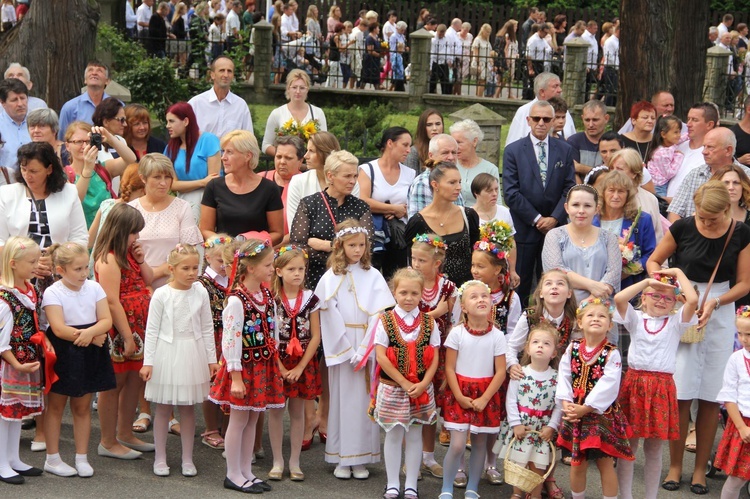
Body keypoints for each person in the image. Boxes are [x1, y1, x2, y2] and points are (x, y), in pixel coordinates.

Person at [647, 181, 750, 495]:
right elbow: (653, 262)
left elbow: (745, 283)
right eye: (702, 217)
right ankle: (675, 466)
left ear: (727, 209)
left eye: (713, 218)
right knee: (681, 390)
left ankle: (700, 469)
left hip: (721, 307)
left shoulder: (743, 233)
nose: (706, 223)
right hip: (686, 304)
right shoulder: (683, 227)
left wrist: (716, 302)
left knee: (711, 393)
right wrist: (675, 292)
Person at [315, 219, 395, 480]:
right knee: (341, 402)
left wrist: (364, 349)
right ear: (340, 245)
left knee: (364, 402)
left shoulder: (373, 274)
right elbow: (328, 313)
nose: (358, 250)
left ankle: (361, 458)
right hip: (343, 347)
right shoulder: (331, 277)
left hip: (366, 345)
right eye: (352, 245)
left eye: (361, 245)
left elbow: (378, 313)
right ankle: (341, 457)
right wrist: (347, 350)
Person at [613, 269, 698, 499]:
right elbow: (619, 299)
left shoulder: (676, 322)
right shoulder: (636, 319)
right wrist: (648, 281)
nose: (661, 300)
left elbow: (692, 300)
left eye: (668, 298)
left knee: (654, 448)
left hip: (661, 388)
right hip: (634, 385)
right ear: (644, 297)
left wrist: (678, 273)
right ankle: (625, 495)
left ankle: (651, 496)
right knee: (628, 446)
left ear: (674, 302)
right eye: (655, 295)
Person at [208, 239, 282, 494]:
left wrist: (276, 361)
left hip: (263, 366)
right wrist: (236, 377)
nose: (272, 269)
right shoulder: (236, 301)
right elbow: (231, 340)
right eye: (268, 265)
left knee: (252, 419)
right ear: (251, 268)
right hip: (243, 369)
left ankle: (246, 471)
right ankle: (232, 473)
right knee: (238, 421)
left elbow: (273, 330)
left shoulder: (267, 295)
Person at [140, 244, 217, 477]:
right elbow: (151, 330)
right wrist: (148, 361)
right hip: (167, 352)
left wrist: (211, 359)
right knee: (163, 408)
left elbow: (206, 327)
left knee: (188, 407)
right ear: (172, 269)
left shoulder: (201, 292)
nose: (192, 272)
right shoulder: (162, 294)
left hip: (192, 352)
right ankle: (160, 457)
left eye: (195, 267)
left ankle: (187, 458)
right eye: (186, 268)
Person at [41, 242, 114, 477]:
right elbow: (59, 329)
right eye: (78, 269)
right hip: (64, 351)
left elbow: (106, 320)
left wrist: (91, 333)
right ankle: (52, 458)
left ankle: (82, 457)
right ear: (60, 270)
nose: (84, 273)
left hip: (90, 348)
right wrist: (90, 336)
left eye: (85, 268)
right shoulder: (53, 292)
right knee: (56, 406)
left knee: (82, 406)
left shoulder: (94, 288)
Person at [93, 203, 154, 460]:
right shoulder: (108, 258)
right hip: (121, 329)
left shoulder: (129, 253)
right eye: (133, 232)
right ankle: (107, 441)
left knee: (133, 380)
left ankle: (125, 433)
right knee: (114, 384)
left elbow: (148, 279)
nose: (137, 237)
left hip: (139, 325)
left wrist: (141, 260)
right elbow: (112, 300)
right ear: (120, 231)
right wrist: (127, 336)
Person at [556, 297, 634, 498]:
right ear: (580, 322)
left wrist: (587, 407)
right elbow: (564, 375)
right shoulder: (572, 348)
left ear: (609, 325)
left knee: (605, 463)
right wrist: (567, 404)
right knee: (577, 462)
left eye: (602, 316)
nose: (596, 319)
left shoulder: (611, 353)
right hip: (575, 413)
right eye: (590, 315)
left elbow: (609, 384)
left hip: (599, 416)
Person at [374, 268, 440, 499]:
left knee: (414, 435)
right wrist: (402, 381)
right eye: (403, 292)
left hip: (420, 389)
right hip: (393, 387)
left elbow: (435, 357)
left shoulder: (429, 323)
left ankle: (411, 483)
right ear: (394, 292)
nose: (409, 298)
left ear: (422, 293)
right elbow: (381, 355)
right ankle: (392, 483)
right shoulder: (385, 320)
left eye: (414, 293)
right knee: (393, 434)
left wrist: (424, 384)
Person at [503, 100, 576, 306]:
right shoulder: (513, 151)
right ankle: (521, 324)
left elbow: (569, 188)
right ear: (528, 120)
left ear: (553, 121)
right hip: (525, 228)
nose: (541, 123)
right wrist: (536, 219)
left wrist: (554, 218)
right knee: (523, 282)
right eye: (536, 118)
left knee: (553, 281)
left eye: (546, 119)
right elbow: (510, 192)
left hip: (555, 228)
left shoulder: (565, 150)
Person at [439, 280, 507, 499]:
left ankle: (472, 488)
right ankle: (447, 487)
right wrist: (458, 395)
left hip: (485, 395)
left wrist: (485, 398)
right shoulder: (457, 333)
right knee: (458, 444)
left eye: (485, 296)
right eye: (474, 296)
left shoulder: (497, 335)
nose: (481, 299)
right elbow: (449, 367)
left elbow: (500, 372)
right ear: (464, 307)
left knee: (479, 443)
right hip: (460, 392)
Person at [469, 224, 522, 484]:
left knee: (492, 416)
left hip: (496, 363)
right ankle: (462, 465)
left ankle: (491, 463)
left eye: (481, 266)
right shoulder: (467, 292)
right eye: (473, 265)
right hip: (470, 361)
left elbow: (514, 334)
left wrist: (507, 360)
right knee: (467, 412)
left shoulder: (510, 298)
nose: (475, 271)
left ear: (498, 269)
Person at [267, 245, 320, 481]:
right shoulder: (271, 298)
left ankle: (295, 461)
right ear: (278, 271)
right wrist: (280, 367)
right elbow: (268, 334)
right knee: (276, 411)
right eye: (291, 269)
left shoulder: (311, 299)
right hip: (277, 359)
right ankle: (277, 460)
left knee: (298, 412)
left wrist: (299, 367)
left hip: (302, 361)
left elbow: (316, 336)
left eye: (301, 269)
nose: (297, 273)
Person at [495, 323, 562, 499]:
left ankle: (535, 494)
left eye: (547, 343)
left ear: (554, 353)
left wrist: (553, 426)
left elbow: (559, 405)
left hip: (542, 429)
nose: (540, 346)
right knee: (518, 461)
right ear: (527, 349)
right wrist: (515, 424)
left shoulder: (557, 377)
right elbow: (511, 400)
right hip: (522, 427)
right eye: (536, 342)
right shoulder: (520, 373)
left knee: (538, 465)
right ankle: (517, 493)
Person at [289, 149, 371, 288]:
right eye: (347, 176)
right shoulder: (309, 204)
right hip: (315, 278)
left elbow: (367, 246)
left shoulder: (361, 207)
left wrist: (326, 246)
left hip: (350, 280)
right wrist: (346, 249)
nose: (353, 181)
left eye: (355, 176)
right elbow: (298, 247)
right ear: (330, 176)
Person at [0, 237, 46, 485]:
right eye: (31, 261)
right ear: (14, 264)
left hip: (27, 360)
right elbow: (1, 341)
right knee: (4, 413)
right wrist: (16, 364)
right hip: (10, 364)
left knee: (16, 411)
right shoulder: (5, 298)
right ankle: (1, 462)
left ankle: (13, 458)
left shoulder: (31, 290)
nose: (36, 265)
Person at [410, 233, 456, 460]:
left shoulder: (448, 288)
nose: (415, 264)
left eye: (421, 260)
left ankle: (427, 456)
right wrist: (436, 313)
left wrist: (442, 313)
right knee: (414, 404)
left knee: (431, 405)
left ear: (436, 263)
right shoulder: (409, 283)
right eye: (414, 259)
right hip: (413, 352)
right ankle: (412, 458)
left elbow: (454, 321)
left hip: (439, 352)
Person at [129, 153, 203, 289]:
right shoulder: (131, 209)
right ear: (143, 178)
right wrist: (144, 280)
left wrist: (154, 274)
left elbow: (189, 251)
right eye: (157, 177)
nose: (163, 183)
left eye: (167, 177)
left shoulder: (182, 207)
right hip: (138, 286)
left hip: (174, 285)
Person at [542, 185, 621, 307]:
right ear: (566, 207)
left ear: (596, 209)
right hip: (565, 307)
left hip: (600, 310)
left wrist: (591, 300)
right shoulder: (554, 236)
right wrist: (591, 285)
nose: (581, 211)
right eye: (576, 205)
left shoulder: (609, 238)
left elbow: (613, 274)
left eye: (588, 206)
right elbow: (555, 270)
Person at [0, 142, 88, 252]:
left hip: (59, 265)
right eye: (24, 169)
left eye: (34, 171)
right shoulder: (6, 194)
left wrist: (57, 258)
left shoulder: (69, 192)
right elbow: (1, 241)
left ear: (49, 169)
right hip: (18, 266)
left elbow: (80, 238)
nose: (27, 176)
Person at [201, 130, 284, 243]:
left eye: (229, 152)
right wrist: (227, 244)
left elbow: (278, 233)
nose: (223, 157)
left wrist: (251, 246)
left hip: (256, 256)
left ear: (247, 156)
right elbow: (205, 229)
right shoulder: (214, 186)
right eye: (223, 151)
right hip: (223, 255)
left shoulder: (269, 189)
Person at [405, 161, 480, 287]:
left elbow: (477, 254)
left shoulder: (468, 215)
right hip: (432, 291)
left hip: (466, 289)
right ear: (435, 185)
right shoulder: (417, 222)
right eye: (452, 182)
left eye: (459, 182)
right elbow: (411, 262)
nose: (458, 187)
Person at [359, 127, 415, 279]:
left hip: (400, 236)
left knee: (397, 278)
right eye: (405, 145)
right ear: (390, 143)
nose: (409, 150)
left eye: (410, 146)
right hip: (374, 234)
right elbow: (363, 201)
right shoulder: (367, 169)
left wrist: (402, 210)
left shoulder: (410, 174)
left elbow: (413, 205)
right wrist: (393, 208)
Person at [195, 234, 232, 450]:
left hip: (229, 337)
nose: (224, 266)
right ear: (207, 257)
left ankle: (227, 427)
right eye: (220, 261)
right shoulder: (202, 284)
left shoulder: (233, 280)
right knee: (211, 383)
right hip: (212, 337)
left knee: (228, 381)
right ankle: (211, 428)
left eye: (228, 262)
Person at [668, 127, 750, 222]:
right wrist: (683, 235)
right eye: (704, 146)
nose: (704, 152)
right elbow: (674, 211)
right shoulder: (695, 175)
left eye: (710, 147)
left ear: (728, 150)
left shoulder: (747, 176)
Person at [594, 170, 656, 289]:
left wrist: (628, 271)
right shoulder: (591, 219)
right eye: (611, 190)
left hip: (629, 286)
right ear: (603, 192)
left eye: (621, 191)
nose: (616, 196)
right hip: (595, 285)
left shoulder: (642, 219)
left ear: (628, 194)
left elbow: (650, 254)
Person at [714, 306, 750, 499]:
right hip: (743, 425)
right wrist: (742, 427)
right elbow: (729, 396)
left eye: (749, 334)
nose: (744, 339)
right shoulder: (736, 359)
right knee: (736, 478)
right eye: (740, 334)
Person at [164, 102, 221, 223]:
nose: (167, 126)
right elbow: (172, 185)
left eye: (171, 121)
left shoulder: (208, 140)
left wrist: (187, 185)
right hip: (182, 200)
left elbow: (213, 181)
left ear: (185, 121)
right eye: (167, 121)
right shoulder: (170, 149)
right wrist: (202, 182)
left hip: (208, 199)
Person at [63, 122, 119, 227]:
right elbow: (76, 200)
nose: (84, 146)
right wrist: (87, 169)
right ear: (67, 146)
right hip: (81, 238)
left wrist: (110, 138)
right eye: (78, 142)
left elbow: (131, 159)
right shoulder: (63, 175)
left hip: (108, 235)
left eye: (89, 141)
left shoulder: (103, 169)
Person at [285, 131, 345, 226]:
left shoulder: (350, 182)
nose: (305, 156)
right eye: (307, 150)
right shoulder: (298, 182)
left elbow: (352, 226)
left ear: (325, 153)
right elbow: (295, 227)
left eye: (311, 151)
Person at [261, 70, 327, 156]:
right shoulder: (277, 113)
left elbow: (324, 144)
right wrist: (284, 155)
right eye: (294, 87)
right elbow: (266, 145)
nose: (298, 91)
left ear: (307, 90)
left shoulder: (318, 113)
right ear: (288, 89)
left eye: (302, 88)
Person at [188, 56, 253, 140]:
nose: (226, 75)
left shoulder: (240, 106)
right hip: (201, 153)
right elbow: (185, 137)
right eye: (222, 70)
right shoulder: (196, 104)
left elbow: (249, 140)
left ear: (233, 76)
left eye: (229, 71)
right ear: (212, 75)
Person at [505, 73, 576, 146]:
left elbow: (573, 140)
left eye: (559, 86)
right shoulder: (524, 111)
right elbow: (512, 146)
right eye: (555, 86)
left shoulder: (564, 111)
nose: (560, 90)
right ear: (542, 92)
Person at [609, 149, 665, 242]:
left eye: (619, 169)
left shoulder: (650, 199)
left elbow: (657, 236)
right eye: (611, 168)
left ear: (634, 173)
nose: (613, 173)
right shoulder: (602, 196)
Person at [666, 102, 719, 200]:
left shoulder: (712, 155)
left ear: (709, 125)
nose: (688, 124)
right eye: (688, 119)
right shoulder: (677, 146)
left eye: (694, 120)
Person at [406, 134, 462, 218]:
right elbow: (420, 225)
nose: (451, 157)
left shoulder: (455, 180)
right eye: (445, 152)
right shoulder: (423, 183)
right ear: (431, 155)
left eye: (454, 152)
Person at [262, 135, 304, 238]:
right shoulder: (260, 179)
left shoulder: (305, 184)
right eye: (279, 157)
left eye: (288, 158)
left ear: (300, 161)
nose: (282, 162)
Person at [450, 119, 499, 207]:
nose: (455, 147)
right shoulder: (449, 166)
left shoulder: (490, 169)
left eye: (459, 142)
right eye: (453, 142)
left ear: (474, 141)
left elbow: (497, 204)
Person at [58, 61, 112, 140]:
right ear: (85, 80)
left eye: (99, 71)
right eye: (90, 70)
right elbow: (62, 138)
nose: (94, 73)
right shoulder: (69, 107)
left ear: (107, 81)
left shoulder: (117, 106)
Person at [91, 97, 139, 184]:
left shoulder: (120, 140)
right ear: (106, 122)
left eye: (125, 120)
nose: (125, 124)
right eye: (121, 120)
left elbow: (132, 160)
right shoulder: (92, 142)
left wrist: (111, 140)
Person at [645, 115, 689, 198]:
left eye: (679, 131)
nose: (679, 135)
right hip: (658, 187)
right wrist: (678, 156)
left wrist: (688, 135)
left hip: (661, 185)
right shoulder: (661, 154)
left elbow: (680, 139)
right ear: (663, 134)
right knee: (661, 208)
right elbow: (669, 173)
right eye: (676, 132)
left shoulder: (670, 143)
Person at [567, 99, 610, 180]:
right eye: (587, 120)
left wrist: (580, 168)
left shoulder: (613, 142)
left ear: (606, 118)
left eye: (595, 120)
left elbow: (613, 173)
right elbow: (572, 173)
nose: (590, 125)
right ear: (582, 118)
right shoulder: (573, 141)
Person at [0, 77, 31, 169]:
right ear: (3, 103)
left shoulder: (37, 124)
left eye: (22, 98)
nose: (20, 104)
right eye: (14, 100)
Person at [361, 22, 384, 90]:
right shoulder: (369, 38)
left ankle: (377, 93)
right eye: (378, 28)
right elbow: (370, 51)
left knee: (376, 79)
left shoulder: (376, 37)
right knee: (365, 78)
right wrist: (379, 55)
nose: (379, 29)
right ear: (374, 29)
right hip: (370, 61)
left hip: (375, 61)